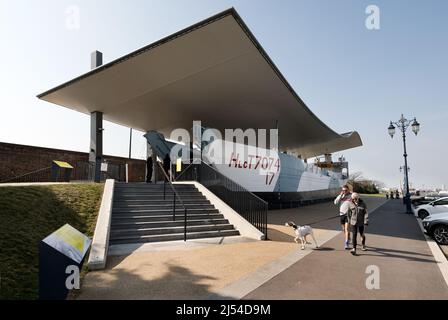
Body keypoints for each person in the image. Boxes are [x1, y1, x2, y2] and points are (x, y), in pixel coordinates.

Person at [334, 185, 352, 250]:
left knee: (347, 229)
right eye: (343, 190)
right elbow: (335, 202)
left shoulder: (351, 195)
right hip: (342, 214)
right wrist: (340, 196)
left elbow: (356, 202)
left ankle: (346, 243)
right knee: (344, 229)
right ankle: (348, 237)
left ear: (348, 190)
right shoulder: (341, 196)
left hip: (349, 215)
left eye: (345, 190)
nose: (344, 191)